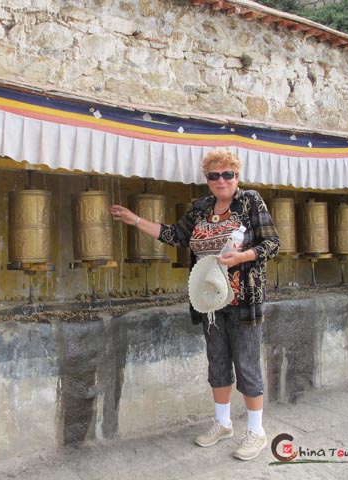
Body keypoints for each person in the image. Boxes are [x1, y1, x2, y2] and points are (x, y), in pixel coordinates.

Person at [110, 148, 280, 461]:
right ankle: (223, 423)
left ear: (237, 176)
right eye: (214, 175)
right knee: (217, 362)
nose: (221, 180)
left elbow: (272, 244)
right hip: (210, 299)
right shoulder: (201, 207)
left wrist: (241, 257)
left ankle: (256, 430)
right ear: (207, 179)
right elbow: (176, 235)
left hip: (244, 300)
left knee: (246, 365)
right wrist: (135, 220)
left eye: (227, 174)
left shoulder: (250, 201)